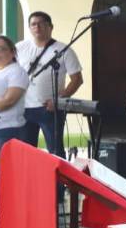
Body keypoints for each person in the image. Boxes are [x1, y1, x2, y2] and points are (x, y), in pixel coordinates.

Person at [16, 11, 84, 159]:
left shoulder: (64, 50)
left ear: (50, 27)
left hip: (50, 109)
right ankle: (30, 182)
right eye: (33, 24)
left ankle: (58, 183)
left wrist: (59, 100)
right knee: (26, 153)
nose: (37, 27)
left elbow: (77, 79)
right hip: (24, 109)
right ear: (29, 28)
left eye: (41, 23)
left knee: (55, 152)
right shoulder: (20, 48)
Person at [0, 36, 30, 195]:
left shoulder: (16, 71)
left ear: (12, 52)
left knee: (4, 173)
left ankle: (10, 213)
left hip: (5, 129)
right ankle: (1, 213)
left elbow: (10, 99)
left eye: (1, 48)